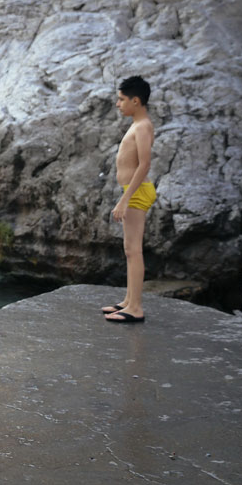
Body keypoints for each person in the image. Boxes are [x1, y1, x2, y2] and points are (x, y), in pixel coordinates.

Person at [102, 76, 156, 323]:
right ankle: (128, 300)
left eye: (122, 99)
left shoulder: (143, 126)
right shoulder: (137, 124)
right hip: (133, 191)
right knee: (129, 249)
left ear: (136, 100)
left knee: (133, 250)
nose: (118, 104)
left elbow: (144, 165)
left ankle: (135, 308)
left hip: (136, 192)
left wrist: (125, 199)